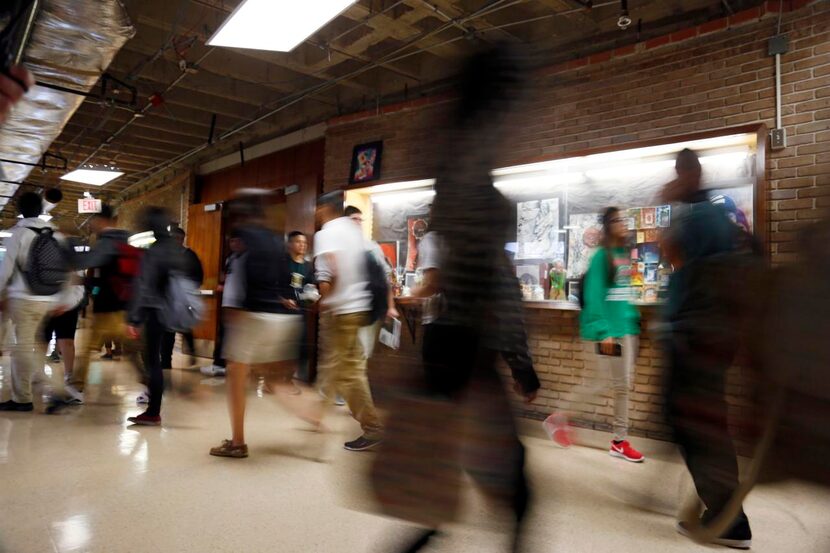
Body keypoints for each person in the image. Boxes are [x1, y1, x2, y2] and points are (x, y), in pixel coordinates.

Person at [661, 148, 751, 549]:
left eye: (679, 174)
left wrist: (669, 212)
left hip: (695, 333)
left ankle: (728, 517)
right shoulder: (717, 215)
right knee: (702, 419)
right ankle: (722, 507)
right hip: (714, 332)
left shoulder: (696, 216)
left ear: (689, 173)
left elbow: (673, 255)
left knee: (694, 421)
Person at [210, 197, 321, 458]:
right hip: (283, 318)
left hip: (254, 317)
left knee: (236, 377)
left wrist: (233, 315)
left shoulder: (245, 241)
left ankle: (238, 442)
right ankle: (316, 419)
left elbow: (241, 283)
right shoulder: (276, 241)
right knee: (275, 381)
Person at [545, 207, 644, 462]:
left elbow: (622, 293)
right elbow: (594, 295)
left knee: (623, 387)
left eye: (624, 219)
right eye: (618, 220)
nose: (624, 224)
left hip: (625, 330)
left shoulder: (622, 255)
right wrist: (605, 332)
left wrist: (633, 322)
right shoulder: (602, 256)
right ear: (609, 225)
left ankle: (619, 441)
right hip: (607, 333)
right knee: (601, 383)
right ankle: (559, 417)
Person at [314, 191, 384, 451]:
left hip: (343, 309)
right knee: (341, 366)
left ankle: (373, 427)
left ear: (324, 208)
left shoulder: (327, 232)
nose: (316, 213)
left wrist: (330, 300)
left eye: (318, 208)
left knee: (348, 371)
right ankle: (317, 416)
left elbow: (335, 267)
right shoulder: (354, 231)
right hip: (360, 307)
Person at [0, 192, 74, 413]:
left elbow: (6, 270)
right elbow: (68, 269)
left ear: (19, 208)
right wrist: (64, 298)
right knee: (25, 346)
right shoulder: (56, 234)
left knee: (21, 348)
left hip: (24, 299)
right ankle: (21, 398)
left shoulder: (18, 233)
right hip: (49, 299)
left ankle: (56, 391)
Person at [66, 204, 144, 405]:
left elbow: (83, 262)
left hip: (108, 309)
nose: (91, 225)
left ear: (102, 221)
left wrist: (68, 241)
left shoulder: (106, 243)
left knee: (88, 350)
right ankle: (152, 386)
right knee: (133, 353)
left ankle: (76, 388)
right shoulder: (129, 240)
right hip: (129, 308)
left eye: (93, 220)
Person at [126, 207, 185, 426]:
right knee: (160, 359)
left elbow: (144, 287)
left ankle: (153, 411)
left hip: (155, 311)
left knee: (153, 362)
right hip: (173, 310)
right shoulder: (177, 249)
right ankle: (157, 406)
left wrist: (134, 318)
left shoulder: (155, 251)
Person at [344, 206, 399, 360]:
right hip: (344, 310)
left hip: (367, 310)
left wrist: (391, 306)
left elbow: (385, 277)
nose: (358, 223)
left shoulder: (371, 246)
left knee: (361, 355)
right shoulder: (338, 246)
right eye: (354, 219)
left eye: (360, 220)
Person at [200, 234, 246, 378]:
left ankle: (234, 367)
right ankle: (219, 365)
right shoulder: (230, 258)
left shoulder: (248, 258)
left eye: (237, 240)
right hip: (227, 303)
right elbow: (225, 278)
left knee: (238, 338)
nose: (234, 244)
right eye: (232, 241)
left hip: (241, 305)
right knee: (223, 335)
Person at [161, 227, 203, 369]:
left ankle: (191, 351)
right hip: (169, 298)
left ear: (183, 239)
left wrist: (189, 289)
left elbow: (199, 275)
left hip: (184, 298)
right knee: (168, 331)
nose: (176, 241)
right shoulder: (165, 255)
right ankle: (166, 361)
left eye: (179, 238)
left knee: (185, 327)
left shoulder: (190, 255)